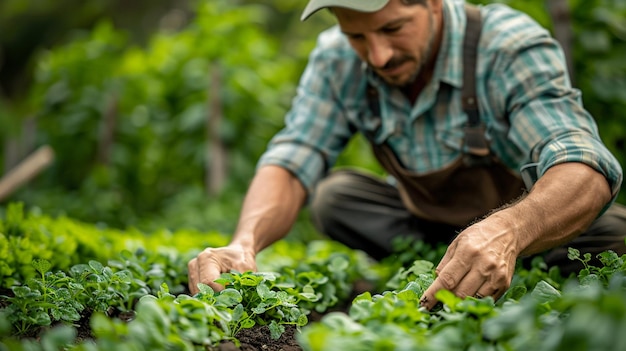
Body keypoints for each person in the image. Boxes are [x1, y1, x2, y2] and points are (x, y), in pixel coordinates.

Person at [188, 0, 626, 310]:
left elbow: (584, 162)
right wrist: (243, 243)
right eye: (356, 35)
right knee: (334, 196)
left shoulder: (506, 46)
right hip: (423, 223)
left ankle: (498, 258)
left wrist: (510, 230)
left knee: (615, 238)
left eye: (393, 28)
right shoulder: (337, 60)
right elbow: (295, 153)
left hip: (527, 228)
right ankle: (444, 265)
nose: (377, 55)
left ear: (434, 4)